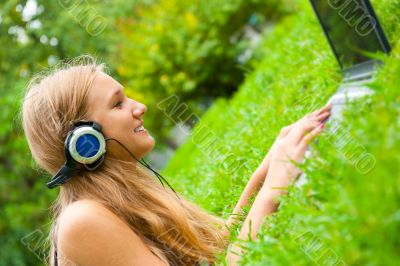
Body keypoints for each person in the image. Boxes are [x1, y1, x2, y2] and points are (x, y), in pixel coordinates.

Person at [20, 56, 331, 266]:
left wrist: (266, 169)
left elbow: (218, 243)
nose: (139, 107)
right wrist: (272, 192)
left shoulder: (126, 190)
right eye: (118, 104)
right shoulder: (82, 220)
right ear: (85, 143)